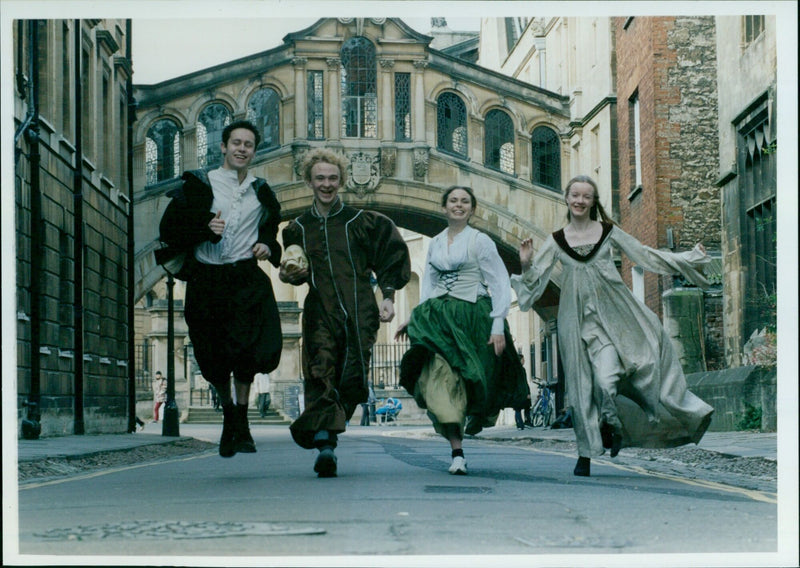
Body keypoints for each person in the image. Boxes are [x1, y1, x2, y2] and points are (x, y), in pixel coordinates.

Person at [511, 175, 714, 477]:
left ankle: (613, 426)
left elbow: (645, 255)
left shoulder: (608, 232)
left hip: (613, 316)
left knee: (607, 382)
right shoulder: (556, 240)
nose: (579, 201)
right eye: (575, 195)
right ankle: (586, 453)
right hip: (575, 320)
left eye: (586, 196)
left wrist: (690, 258)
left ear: (593, 202)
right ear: (566, 199)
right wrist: (526, 264)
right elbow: (534, 284)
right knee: (581, 387)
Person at [279, 148, 411, 478]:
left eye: (333, 178)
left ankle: (328, 432)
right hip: (319, 311)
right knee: (320, 370)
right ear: (309, 181)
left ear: (341, 181)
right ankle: (325, 443)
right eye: (320, 178)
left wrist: (388, 297)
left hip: (360, 311)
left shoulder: (364, 222)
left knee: (352, 380)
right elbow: (290, 268)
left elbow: (390, 258)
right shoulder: (296, 228)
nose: (327, 184)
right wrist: (286, 274)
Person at [157, 119, 283, 458]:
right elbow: (169, 230)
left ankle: (240, 419)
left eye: (249, 145)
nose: (242, 149)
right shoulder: (199, 185)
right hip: (207, 280)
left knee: (246, 352)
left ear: (255, 151)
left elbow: (270, 231)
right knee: (212, 357)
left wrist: (267, 247)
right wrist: (204, 228)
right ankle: (230, 414)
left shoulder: (262, 191)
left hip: (244, 277)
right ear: (224, 147)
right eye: (236, 143)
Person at [396, 186, 529, 476]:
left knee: (477, 380)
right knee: (441, 381)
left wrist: (497, 326)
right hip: (440, 321)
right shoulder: (435, 243)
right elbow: (429, 285)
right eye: (453, 201)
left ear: (472, 209)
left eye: (464, 202)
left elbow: (498, 283)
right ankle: (457, 451)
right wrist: (414, 318)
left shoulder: (481, 241)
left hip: (474, 318)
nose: (458, 206)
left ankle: (474, 419)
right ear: (444, 207)